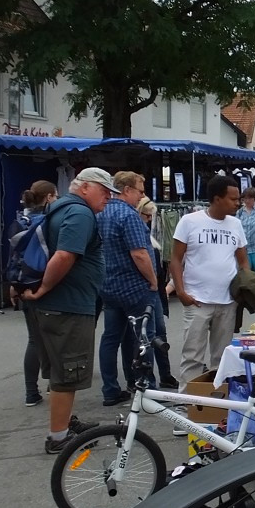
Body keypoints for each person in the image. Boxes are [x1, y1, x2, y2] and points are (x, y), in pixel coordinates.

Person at [22, 167, 115, 453]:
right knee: (68, 373)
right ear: (85, 187)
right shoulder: (80, 213)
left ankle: (63, 422)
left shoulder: (59, 208)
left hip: (55, 307)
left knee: (60, 371)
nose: (109, 198)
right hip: (67, 306)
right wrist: (45, 287)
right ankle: (59, 437)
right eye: (105, 190)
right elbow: (65, 255)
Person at [170, 174, 249, 387]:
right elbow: (176, 259)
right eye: (233, 199)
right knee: (192, 357)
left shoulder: (236, 224)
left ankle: (216, 405)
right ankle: (187, 406)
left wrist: (246, 289)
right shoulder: (189, 221)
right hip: (197, 300)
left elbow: (243, 262)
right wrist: (181, 292)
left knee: (221, 358)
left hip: (228, 302)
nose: (237, 203)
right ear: (216, 199)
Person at [97, 171, 163, 406]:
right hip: (134, 286)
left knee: (111, 338)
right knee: (144, 337)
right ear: (126, 190)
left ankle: (110, 389)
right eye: (140, 191)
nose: (142, 196)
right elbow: (139, 253)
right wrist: (153, 280)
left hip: (109, 284)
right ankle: (145, 388)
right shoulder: (129, 216)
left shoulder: (102, 212)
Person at [7, 180, 57, 407]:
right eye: (55, 196)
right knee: (55, 338)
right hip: (46, 284)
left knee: (34, 340)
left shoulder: (20, 221)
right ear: (48, 197)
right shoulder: (49, 222)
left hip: (23, 283)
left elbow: (14, 255)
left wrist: (13, 284)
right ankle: (55, 385)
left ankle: (30, 392)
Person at [136, 197, 176, 389]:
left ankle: (165, 375)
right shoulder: (138, 233)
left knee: (159, 334)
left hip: (155, 291)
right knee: (149, 335)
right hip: (147, 291)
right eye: (147, 215)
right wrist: (154, 283)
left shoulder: (146, 234)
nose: (150, 220)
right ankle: (147, 378)